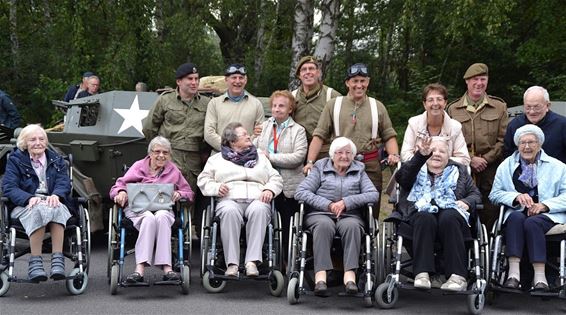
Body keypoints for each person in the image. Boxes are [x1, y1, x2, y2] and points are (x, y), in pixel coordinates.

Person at [394, 137, 481, 291]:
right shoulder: (415, 168)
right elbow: (402, 178)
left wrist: (467, 202)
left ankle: (457, 276)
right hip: (419, 216)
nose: (437, 154)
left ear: (449, 156)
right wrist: (420, 155)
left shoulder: (459, 170)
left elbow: (475, 195)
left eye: (442, 151)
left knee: (449, 216)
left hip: (451, 216)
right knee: (424, 217)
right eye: (433, 151)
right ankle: (422, 274)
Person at [304, 63, 399, 205]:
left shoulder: (377, 106)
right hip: (339, 165)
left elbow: (389, 136)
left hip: (370, 165)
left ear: (368, 82)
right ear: (347, 83)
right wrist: (310, 162)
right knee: (339, 205)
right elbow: (319, 136)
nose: (359, 85)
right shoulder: (333, 105)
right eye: (355, 81)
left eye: (363, 81)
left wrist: (394, 155)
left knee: (371, 207)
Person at [294, 137, 378, 296]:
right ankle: (321, 277)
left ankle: (350, 276)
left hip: (349, 215)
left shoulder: (359, 170)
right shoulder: (320, 168)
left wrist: (347, 202)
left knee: (352, 227)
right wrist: (328, 205)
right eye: (340, 152)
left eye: (348, 153)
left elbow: (373, 194)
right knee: (324, 226)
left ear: (353, 155)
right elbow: (301, 192)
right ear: (332, 154)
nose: (344, 156)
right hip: (320, 213)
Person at [198, 122, 282, 277]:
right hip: (229, 199)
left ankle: (252, 262)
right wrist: (216, 188)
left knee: (261, 210)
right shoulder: (216, 159)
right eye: (243, 134)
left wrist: (270, 189)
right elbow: (203, 180)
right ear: (232, 141)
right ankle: (232, 264)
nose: (249, 136)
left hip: (257, 197)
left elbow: (275, 177)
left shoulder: (261, 158)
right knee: (229, 212)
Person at [489, 125, 566, 291]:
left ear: (539, 144)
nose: (527, 146)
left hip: (548, 216)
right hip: (517, 211)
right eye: (522, 142)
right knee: (516, 218)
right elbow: (494, 194)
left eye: (531, 142)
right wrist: (514, 197)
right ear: (517, 145)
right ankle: (513, 275)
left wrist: (545, 205)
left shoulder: (558, 167)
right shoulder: (506, 165)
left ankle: (540, 277)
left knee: (532, 223)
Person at [109, 136, 194, 283]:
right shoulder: (138, 166)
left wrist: (180, 193)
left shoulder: (173, 170)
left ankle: (167, 268)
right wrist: (120, 192)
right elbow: (118, 186)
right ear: (150, 153)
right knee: (148, 217)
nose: (161, 155)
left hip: (163, 209)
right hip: (138, 209)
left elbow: (189, 192)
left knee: (161, 217)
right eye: (158, 152)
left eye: (165, 153)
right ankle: (139, 269)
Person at [142, 62, 211, 234]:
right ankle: (162, 235)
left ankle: (183, 241)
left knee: (187, 197)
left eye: (196, 79)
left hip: (193, 158)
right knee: (164, 197)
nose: (194, 82)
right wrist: (159, 152)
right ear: (179, 81)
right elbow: (149, 127)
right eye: (190, 79)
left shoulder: (207, 104)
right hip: (168, 156)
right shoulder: (165, 100)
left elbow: (211, 130)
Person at [2, 124, 73, 281]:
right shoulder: (15, 161)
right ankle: (35, 263)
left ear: (46, 142)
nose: (38, 142)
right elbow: (9, 187)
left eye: (41, 139)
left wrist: (57, 195)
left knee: (57, 207)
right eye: (32, 139)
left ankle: (57, 261)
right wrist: (28, 198)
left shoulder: (56, 160)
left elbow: (64, 182)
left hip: (52, 201)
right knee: (39, 209)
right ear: (24, 143)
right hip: (25, 205)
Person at [447, 63, 508, 230]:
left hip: (491, 166)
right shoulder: (453, 109)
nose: (479, 83)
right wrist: (470, 159)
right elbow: (448, 139)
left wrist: (485, 159)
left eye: (483, 79)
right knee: (461, 203)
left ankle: (487, 243)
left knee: (491, 207)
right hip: (462, 166)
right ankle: (465, 241)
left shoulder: (499, 107)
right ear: (467, 82)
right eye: (475, 79)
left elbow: (504, 139)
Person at [252, 90, 307, 263]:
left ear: (290, 109)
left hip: (288, 184)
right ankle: (262, 259)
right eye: (274, 106)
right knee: (262, 219)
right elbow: (254, 146)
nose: (277, 109)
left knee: (285, 224)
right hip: (265, 181)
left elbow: (298, 157)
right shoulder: (265, 125)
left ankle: (285, 261)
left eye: (282, 106)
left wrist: (270, 157)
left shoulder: (298, 130)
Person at [401, 83, 469, 166]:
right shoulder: (414, 123)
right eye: (430, 100)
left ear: (445, 103)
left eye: (439, 99)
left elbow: (464, 159)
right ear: (424, 104)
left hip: (448, 175)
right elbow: (405, 156)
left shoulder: (455, 127)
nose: (435, 103)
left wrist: (440, 162)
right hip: (418, 174)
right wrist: (429, 162)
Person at [204, 64, 264, 153]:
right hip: (220, 156)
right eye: (234, 77)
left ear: (245, 80)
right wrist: (228, 148)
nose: (237, 81)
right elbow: (209, 133)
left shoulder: (256, 104)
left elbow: (260, 133)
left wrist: (243, 148)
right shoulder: (214, 103)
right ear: (226, 80)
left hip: (246, 156)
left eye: (241, 78)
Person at [291, 56, 341, 160]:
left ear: (318, 73)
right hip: (298, 151)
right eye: (304, 69)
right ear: (299, 75)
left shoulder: (332, 96)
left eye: (311, 68)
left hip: (326, 152)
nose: (308, 72)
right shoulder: (292, 97)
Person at [504, 86, 566, 164]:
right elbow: (508, 154)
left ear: (547, 106)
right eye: (528, 107)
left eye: (537, 107)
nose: (532, 112)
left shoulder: (562, 125)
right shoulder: (514, 125)